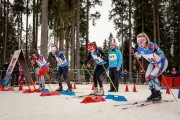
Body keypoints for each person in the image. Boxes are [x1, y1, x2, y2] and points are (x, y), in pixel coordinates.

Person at [130, 32, 168, 101]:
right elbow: (138, 56)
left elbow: (162, 55)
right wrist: (133, 52)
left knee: (152, 76)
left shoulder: (152, 45)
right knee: (147, 77)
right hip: (153, 63)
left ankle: (158, 94)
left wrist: (155, 50)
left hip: (161, 62)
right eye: (138, 42)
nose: (140, 43)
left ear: (146, 40)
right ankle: (153, 93)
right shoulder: (139, 48)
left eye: (141, 41)